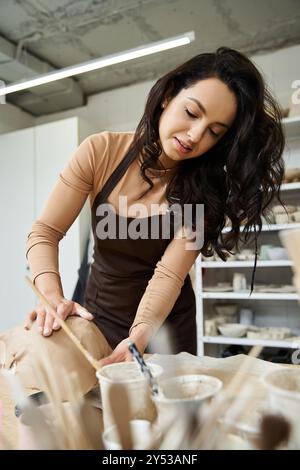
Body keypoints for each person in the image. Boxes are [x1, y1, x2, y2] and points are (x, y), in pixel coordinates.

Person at [24, 46, 284, 367]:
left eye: (214, 132)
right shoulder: (101, 151)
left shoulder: (206, 190)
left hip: (164, 332)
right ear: (168, 95)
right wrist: (51, 297)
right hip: (98, 318)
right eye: (191, 113)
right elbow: (45, 232)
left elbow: (169, 275)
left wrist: (142, 334)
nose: (194, 135)